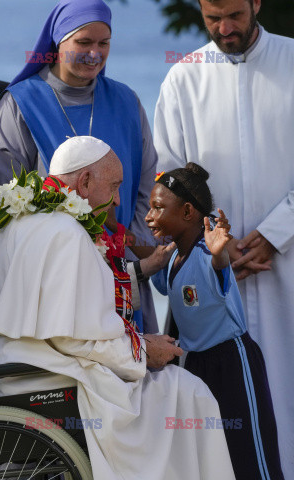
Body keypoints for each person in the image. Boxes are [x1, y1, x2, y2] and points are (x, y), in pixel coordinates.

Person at [0, 136, 236, 480]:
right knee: (190, 393)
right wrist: (144, 352)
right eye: (113, 187)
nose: (116, 200)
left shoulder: (21, 219)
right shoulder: (65, 232)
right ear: (84, 182)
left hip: (10, 368)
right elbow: (78, 340)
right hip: (47, 376)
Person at [154, 0, 294, 476]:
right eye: (213, 17)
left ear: (257, 2)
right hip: (209, 273)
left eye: (234, 14)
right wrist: (214, 241)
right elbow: (167, 180)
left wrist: (277, 233)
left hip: (287, 264)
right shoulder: (183, 79)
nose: (225, 27)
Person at [0, 0, 157, 333]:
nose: (94, 53)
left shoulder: (127, 102)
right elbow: (6, 200)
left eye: (103, 43)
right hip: (54, 282)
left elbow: (146, 190)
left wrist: (130, 257)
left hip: (126, 274)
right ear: (58, 42)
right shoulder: (21, 104)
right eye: (84, 42)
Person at [148, 163, 283, 479]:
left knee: (251, 455)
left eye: (157, 208)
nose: (148, 216)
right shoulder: (173, 258)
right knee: (213, 458)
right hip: (198, 367)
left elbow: (218, 264)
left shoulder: (208, 254)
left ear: (187, 212)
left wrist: (221, 252)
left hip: (232, 363)